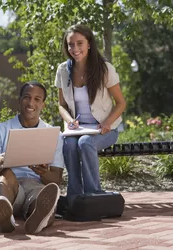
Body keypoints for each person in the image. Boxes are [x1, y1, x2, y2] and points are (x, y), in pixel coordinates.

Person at [55, 24, 126, 204]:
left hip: (104, 130)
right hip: (77, 129)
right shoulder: (63, 70)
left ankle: (94, 195)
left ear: (89, 44)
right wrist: (70, 120)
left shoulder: (104, 69)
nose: (75, 49)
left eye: (80, 43)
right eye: (71, 44)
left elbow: (121, 103)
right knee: (69, 144)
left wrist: (107, 123)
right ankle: (75, 196)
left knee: (85, 142)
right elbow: (61, 105)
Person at [0, 81, 64, 234]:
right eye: (27, 97)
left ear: (43, 105)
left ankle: (39, 219)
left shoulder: (54, 134)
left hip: (36, 184)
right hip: (11, 186)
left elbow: (56, 179)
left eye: (37, 99)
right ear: (20, 99)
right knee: (5, 175)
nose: (30, 103)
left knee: (45, 197)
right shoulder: (1, 129)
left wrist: (43, 172)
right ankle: (5, 214)